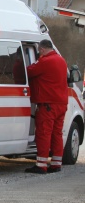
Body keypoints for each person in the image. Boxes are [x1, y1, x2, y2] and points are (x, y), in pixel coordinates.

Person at [25, 39, 68, 174]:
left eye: (39, 52)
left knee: (44, 133)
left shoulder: (45, 62)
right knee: (57, 134)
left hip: (48, 105)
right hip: (61, 104)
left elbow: (29, 72)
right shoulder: (61, 60)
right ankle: (56, 163)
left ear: (42, 49)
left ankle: (41, 164)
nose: (39, 54)